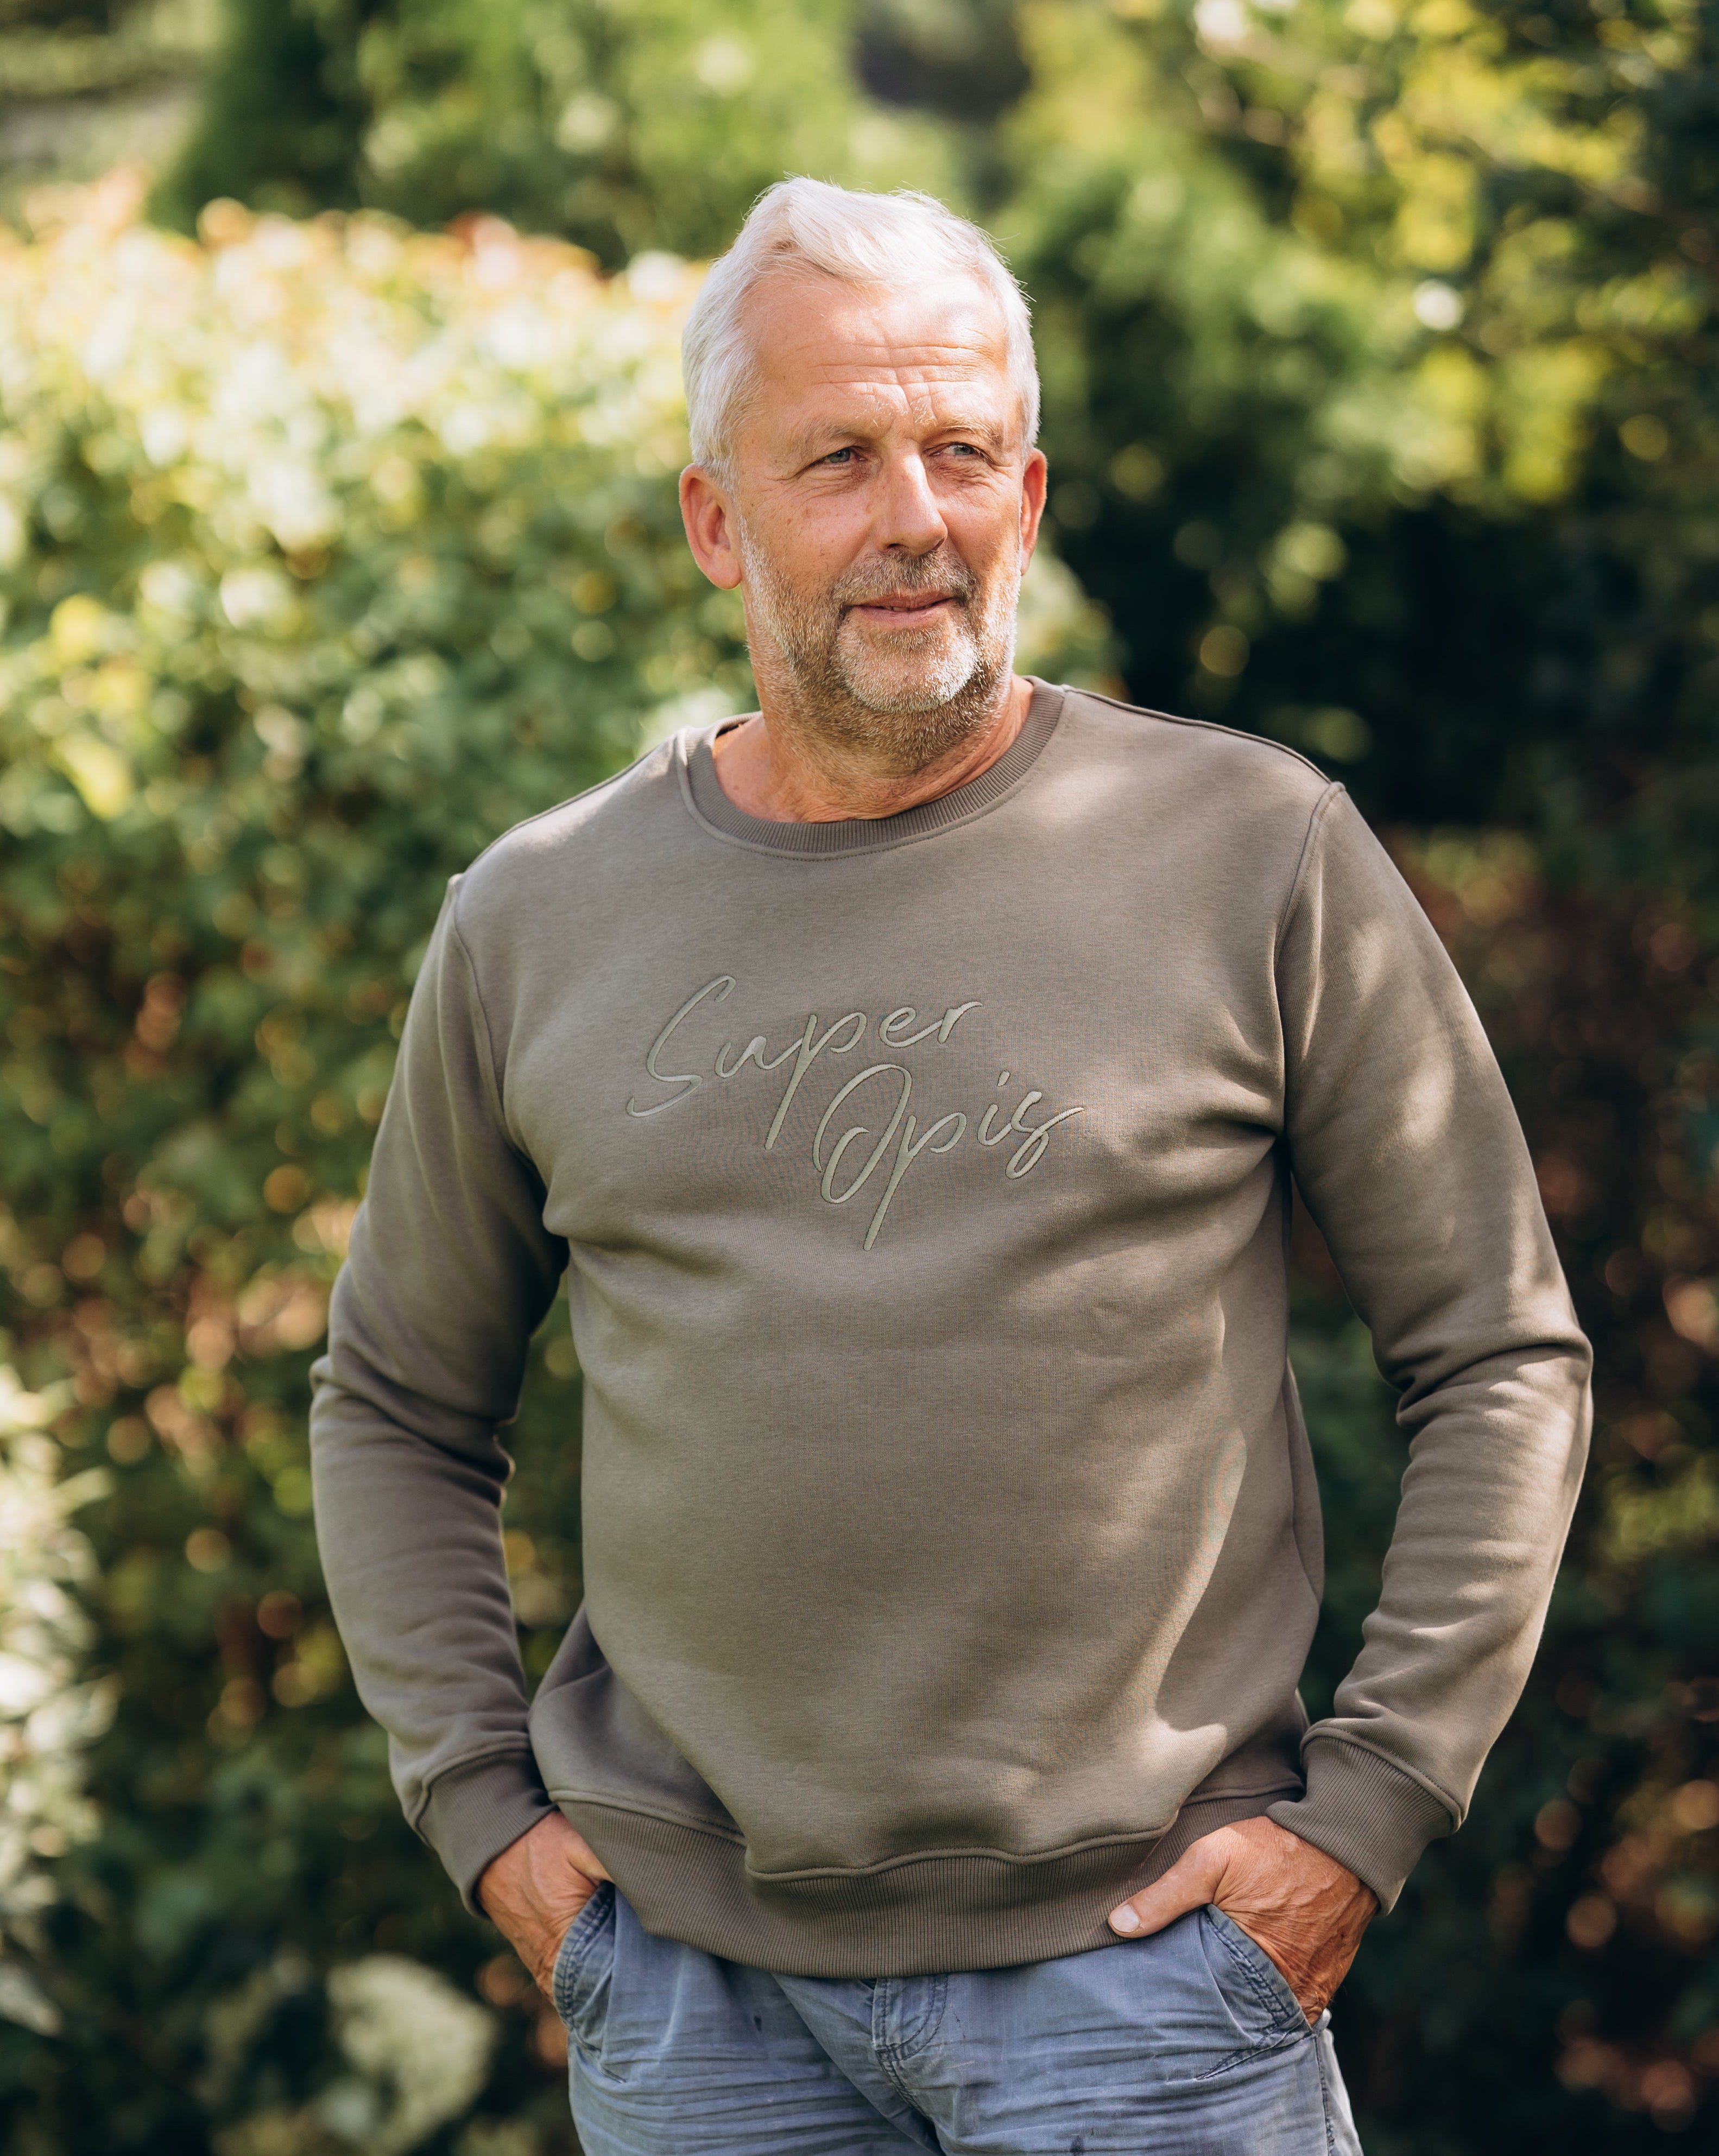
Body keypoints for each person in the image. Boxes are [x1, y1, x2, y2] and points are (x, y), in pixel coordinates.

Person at [309, 179, 1592, 2154]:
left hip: (1155, 1989)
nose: (916, 514)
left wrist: (1367, 1812)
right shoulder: (537, 919)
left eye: (963, 451)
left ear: (1031, 495)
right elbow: (397, 1401)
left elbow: (1501, 1352)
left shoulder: (1254, 851)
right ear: (716, 521)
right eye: (839, 458)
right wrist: (492, 1822)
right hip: (702, 2013)